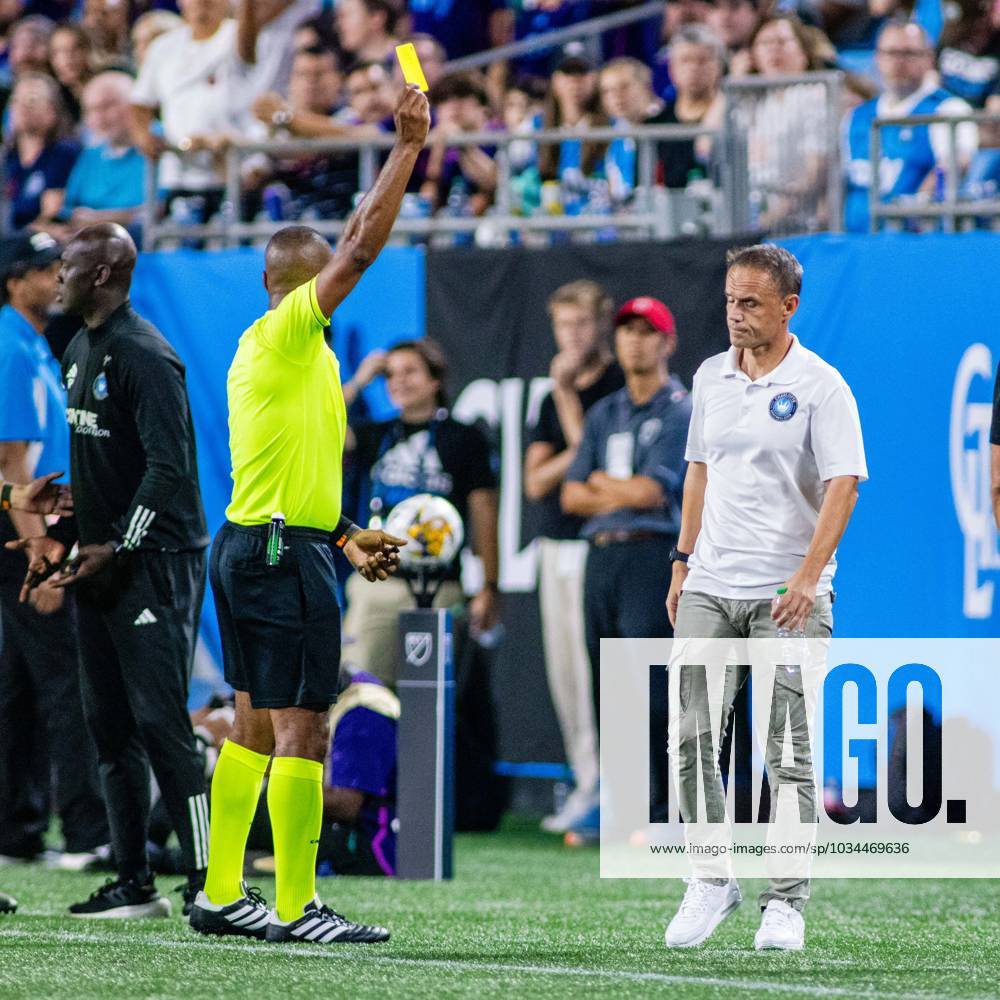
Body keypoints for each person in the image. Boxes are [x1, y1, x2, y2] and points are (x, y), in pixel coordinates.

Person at [186, 85, 430, 947]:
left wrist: (343, 534)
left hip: (265, 543)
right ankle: (295, 905)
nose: (336, 286)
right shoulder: (290, 334)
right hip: (276, 561)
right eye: (321, 276)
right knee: (303, 727)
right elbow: (361, 246)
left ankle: (221, 890)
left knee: (254, 725)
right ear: (290, 286)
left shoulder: (298, 359)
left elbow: (283, 478)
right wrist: (405, 150)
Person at [663, 244, 867, 951]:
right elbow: (698, 471)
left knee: (787, 749)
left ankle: (786, 904)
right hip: (711, 586)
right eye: (729, 301)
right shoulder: (711, 378)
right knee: (688, 737)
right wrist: (682, 561)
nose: (736, 315)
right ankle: (710, 880)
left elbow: (845, 483)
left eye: (751, 303)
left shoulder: (822, 386)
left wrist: (808, 576)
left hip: (787, 592)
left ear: (789, 306)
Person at [13, 223, 211, 919]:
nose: (58, 272)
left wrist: (119, 546)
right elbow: (108, 467)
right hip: (99, 560)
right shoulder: (78, 346)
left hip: (154, 563)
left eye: (69, 262)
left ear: (102, 275)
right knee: (108, 725)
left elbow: (168, 469)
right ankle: (134, 880)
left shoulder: (144, 354)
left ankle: (208, 883)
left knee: (162, 723)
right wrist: (66, 529)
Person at [561, 295, 691, 833]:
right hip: (602, 557)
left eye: (646, 331)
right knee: (606, 685)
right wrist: (616, 492)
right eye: (627, 331)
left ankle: (665, 808)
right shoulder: (604, 412)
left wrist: (605, 488)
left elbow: (649, 493)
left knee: (656, 685)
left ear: (668, 341)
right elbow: (570, 495)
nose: (635, 341)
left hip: (649, 553)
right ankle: (621, 807)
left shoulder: (682, 409)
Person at [0, 232, 108, 870]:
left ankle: (16, 825)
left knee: (18, 681)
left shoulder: (32, 342)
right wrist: (37, 545)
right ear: (16, 280)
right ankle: (88, 830)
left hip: (36, 522)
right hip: (25, 530)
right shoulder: (10, 347)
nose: (59, 276)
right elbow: (10, 461)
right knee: (68, 675)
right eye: (47, 267)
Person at [342, 338, 500, 688]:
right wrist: (361, 380)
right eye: (392, 374)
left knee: (430, 700)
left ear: (435, 380)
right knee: (360, 689)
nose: (399, 381)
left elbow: (485, 512)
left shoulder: (464, 438)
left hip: (441, 587)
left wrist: (490, 585)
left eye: (410, 371)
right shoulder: (374, 434)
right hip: (377, 584)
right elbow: (319, 427)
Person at [524, 280, 623, 834]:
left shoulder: (613, 386)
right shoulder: (547, 397)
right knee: (566, 674)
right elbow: (536, 481)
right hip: (555, 544)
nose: (572, 336)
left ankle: (616, 787)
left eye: (581, 324)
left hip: (602, 544)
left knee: (599, 670)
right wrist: (571, 450)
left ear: (600, 324)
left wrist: (566, 398)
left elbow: (593, 459)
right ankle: (588, 784)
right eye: (563, 325)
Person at [844, 19, 979, 232]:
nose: (899, 62)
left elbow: (954, 165)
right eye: (891, 53)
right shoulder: (856, 117)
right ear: (877, 58)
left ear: (929, 58)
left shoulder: (948, 109)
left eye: (909, 53)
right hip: (854, 242)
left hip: (912, 240)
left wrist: (915, 212)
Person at [130, 0, 240, 211]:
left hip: (233, 171)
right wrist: (144, 136)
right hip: (178, 173)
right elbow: (140, 101)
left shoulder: (240, 38)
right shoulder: (163, 47)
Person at [56, 72, 146, 236]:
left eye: (107, 106)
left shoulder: (157, 147)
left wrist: (100, 219)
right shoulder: (91, 155)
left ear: (133, 105)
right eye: (91, 110)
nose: (99, 117)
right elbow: (68, 209)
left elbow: (160, 210)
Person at [648, 24, 727, 188]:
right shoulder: (654, 124)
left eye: (703, 60)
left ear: (719, 66)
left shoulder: (733, 118)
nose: (694, 68)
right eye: (685, 60)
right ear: (671, 69)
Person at [5, 72, 79, 229]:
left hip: (35, 243)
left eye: (32, 100)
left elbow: (51, 214)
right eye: (16, 100)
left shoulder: (63, 153)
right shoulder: (7, 157)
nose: (22, 107)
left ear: (52, 110)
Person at [336, 0, 400, 70]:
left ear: (376, 18)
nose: (338, 25)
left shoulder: (406, 54)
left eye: (346, 16)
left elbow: (413, 79)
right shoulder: (348, 69)